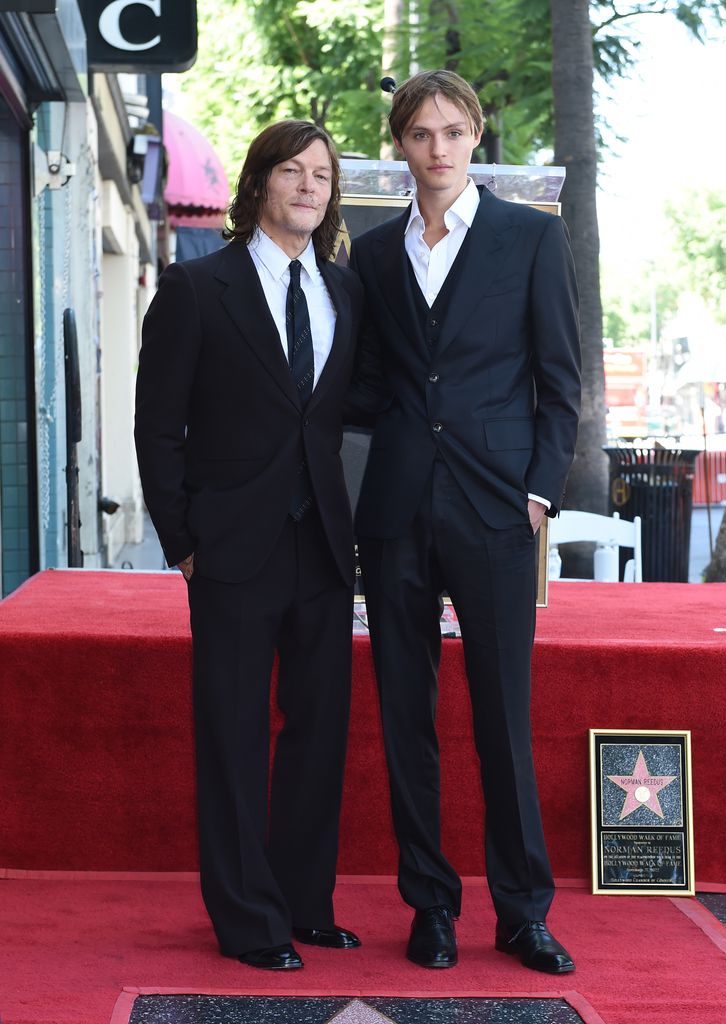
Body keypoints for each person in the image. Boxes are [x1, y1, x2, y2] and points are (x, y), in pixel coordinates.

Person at [347, 71, 582, 973]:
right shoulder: (371, 257)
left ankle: (522, 912)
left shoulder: (528, 238)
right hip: (397, 510)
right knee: (405, 713)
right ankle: (429, 905)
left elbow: (559, 386)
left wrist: (536, 492)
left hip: (495, 511)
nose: (437, 149)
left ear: (475, 138)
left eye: (452, 131)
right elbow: (365, 385)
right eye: (419, 134)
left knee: (501, 720)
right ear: (400, 146)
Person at [135, 120, 363, 971]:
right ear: (260, 183)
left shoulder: (345, 293)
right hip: (229, 549)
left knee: (319, 731)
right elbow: (157, 426)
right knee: (232, 734)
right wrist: (182, 541)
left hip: (322, 547)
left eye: (321, 175)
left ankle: (305, 905)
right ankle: (245, 919)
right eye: (293, 171)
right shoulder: (197, 288)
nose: (309, 185)